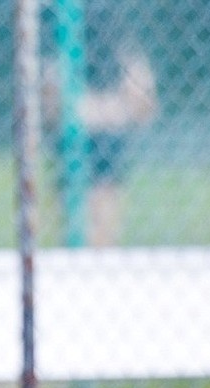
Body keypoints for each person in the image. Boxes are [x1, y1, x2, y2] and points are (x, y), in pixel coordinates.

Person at [45, 4, 158, 246]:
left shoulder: (124, 58)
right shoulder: (63, 60)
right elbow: (52, 108)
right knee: (77, 223)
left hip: (105, 139)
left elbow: (145, 107)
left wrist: (106, 110)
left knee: (101, 223)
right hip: (75, 138)